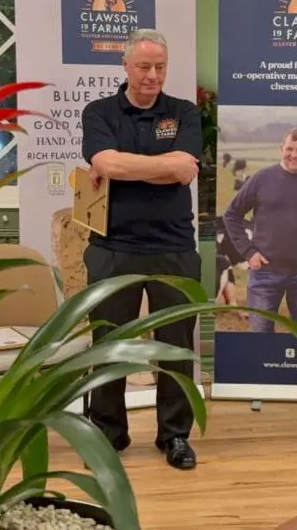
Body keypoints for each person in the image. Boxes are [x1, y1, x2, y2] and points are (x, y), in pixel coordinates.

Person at [81, 28, 203, 471]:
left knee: (174, 346)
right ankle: (108, 433)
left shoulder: (184, 112)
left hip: (174, 247)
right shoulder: (99, 111)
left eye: (160, 67)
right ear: (126, 66)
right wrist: (162, 164)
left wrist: (127, 166)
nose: (152, 76)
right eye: (144, 67)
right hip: (113, 246)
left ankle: (174, 436)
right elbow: (104, 162)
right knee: (109, 343)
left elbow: (185, 171)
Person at [222, 129, 297, 333]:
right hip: (265, 273)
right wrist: (248, 252)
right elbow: (231, 214)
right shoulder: (262, 178)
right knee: (260, 334)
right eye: (289, 149)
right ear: (281, 149)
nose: (294, 154)